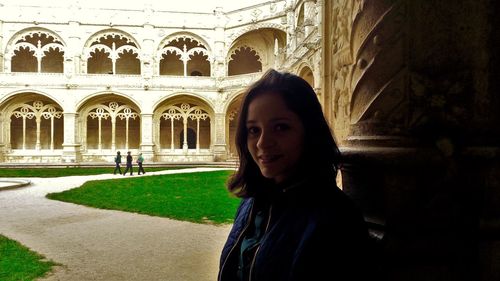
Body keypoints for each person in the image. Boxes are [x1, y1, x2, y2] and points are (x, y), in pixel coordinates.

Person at [218, 69, 371, 281]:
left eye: (280, 127)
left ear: (309, 131)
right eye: (254, 130)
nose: (263, 143)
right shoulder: (252, 203)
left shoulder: (335, 220)